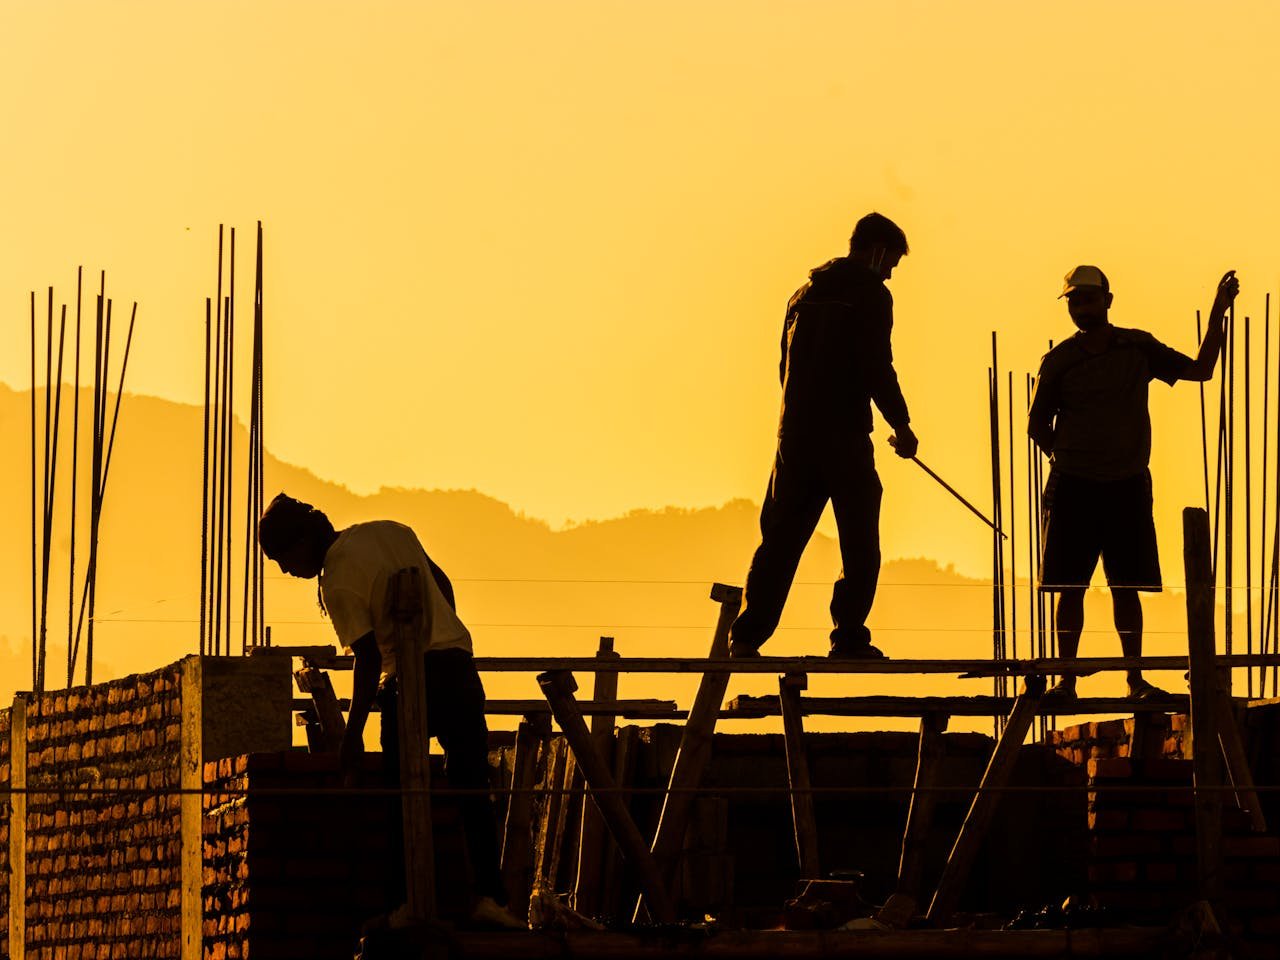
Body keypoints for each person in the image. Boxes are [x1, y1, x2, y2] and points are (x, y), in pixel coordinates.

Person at [257, 493, 522, 929]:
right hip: (457, 666)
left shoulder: (336, 580)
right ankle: (491, 899)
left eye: (284, 558)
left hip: (407, 681)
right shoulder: (389, 530)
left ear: (303, 540)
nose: (288, 570)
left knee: (401, 792)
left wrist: (352, 733)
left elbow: (367, 658)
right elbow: (442, 584)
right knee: (472, 784)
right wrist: (441, 629)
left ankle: (405, 904)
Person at [1028, 265, 1239, 700]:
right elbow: (1036, 424)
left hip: (1125, 486)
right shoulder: (1060, 361)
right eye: (1074, 301)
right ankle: (1066, 679)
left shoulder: (1137, 348)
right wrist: (1067, 455)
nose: (1082, 307)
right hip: (1074, 488)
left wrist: (1218, 310)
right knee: (1069, 588)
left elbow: (1200, 369)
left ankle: (1135, 678)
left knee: (1127, 587)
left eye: (1088, 299)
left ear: (1108, 300)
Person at [728, 212, 918, 660]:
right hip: (844, 437)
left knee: (780, 539)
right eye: (891, 261)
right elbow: (876, 365)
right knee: (859, 540)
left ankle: (746, 638)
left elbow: (783, 366)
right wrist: (901, 424)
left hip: (792, 437)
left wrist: (796, 421)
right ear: (875, 251)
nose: (890, 272)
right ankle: (849, 635)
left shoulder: (802, 295)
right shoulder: (870, 295)